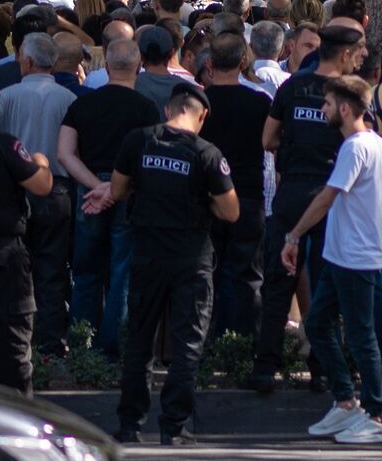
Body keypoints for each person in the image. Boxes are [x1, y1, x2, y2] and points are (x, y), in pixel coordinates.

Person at [112, 84, 239, 445]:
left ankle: (129, 426)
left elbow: (118, 191)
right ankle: (173, 427)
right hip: (192, 259)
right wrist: (205, 202)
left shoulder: (138, 141)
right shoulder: (207, 154)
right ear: (202, 116)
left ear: (169, 110)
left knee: (139, 341)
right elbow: (231, 211)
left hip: (148, 255)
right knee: (186, 345)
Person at [250, 24, 367, 392]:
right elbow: (361, 142)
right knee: (324, 286)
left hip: (292, 194)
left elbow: (267, 139)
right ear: (345, 55)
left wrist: (293, 150)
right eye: (359, 53)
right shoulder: (348, 95)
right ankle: (322, 367)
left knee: (278, 283)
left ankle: (265, 367)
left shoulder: (291, 88)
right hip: (331, 197)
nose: (362, 59)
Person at [283, 75, 382, 444]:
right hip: (343, 253)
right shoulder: (375, 143)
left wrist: (295, 234)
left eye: (328, 104)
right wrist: (372, 233)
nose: (323, 109)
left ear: (345, 109)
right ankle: (346, 402)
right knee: (317, 325)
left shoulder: (355, 148)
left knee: (361, 336)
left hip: (353, 257)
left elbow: (328, 197)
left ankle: (377, 414)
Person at [56, 39, 160, 358]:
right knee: (122, 271)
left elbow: (64, 154)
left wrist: (95, 186)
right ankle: (113, 346)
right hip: (128, 194)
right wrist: (114, 189)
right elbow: (149, 159)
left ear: (106, 65)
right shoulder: (146, 109)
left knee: (86, 269)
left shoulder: (82, 104)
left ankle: (80, 341)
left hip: (88, 192)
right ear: (138, 67)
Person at [0, 33, 78, 356]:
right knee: (53, 267)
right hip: (56, 190)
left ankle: (18, 336)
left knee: (17, 268)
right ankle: (51, 339)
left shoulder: (6, 96)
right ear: (54, 63)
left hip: (14, 192)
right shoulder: (68, 99)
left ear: (27, 61)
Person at [200, 34, 272, 338]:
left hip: (206, 197)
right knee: (247, 274)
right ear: (244, 62)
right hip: (248, 194)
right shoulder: (259, 102)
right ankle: (244, 342)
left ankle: (209, 339)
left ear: (210, 64)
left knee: (207, 272)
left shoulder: (200, 103)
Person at [0, 129, 53, 395]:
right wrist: (42, 162)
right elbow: (42, 185)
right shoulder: (5, 145)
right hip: (6, 258)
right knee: (13, 349)